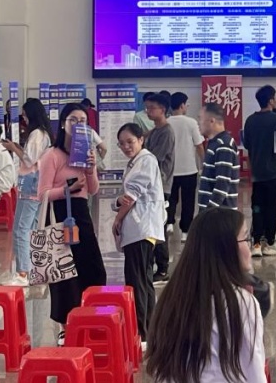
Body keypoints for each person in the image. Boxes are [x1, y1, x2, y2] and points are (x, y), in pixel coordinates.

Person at [145, 207, 266, 383]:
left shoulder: (172, 298)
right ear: (226, 248)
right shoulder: (238, 302)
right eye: (246, 239)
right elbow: (254, 373)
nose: (249, 248)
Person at [38, 104, 106, 344]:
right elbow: (42, 194)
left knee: (93, 269)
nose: (78, 125)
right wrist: (68, 188)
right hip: (58, 217)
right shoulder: (52, 155)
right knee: (64, 276)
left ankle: (91, 319)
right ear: (63, 124)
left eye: (83, 121)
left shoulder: (86, 153)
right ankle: (65, 327)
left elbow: (93, 189)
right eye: (73, 120)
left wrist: (91, 168)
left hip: (81, 215)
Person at [114, 122, 165, 343]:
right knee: (143, 280)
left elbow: (130, 196)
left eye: (130, 142)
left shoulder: (146, 160)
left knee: (138, 281)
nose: (126, 147)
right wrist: (118, 202)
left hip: (141, 228)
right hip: (140, 228)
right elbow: (123, 198)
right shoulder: (136, 162)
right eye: (122, 143)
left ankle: (143, 333)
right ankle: (149, 330)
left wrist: (117, 218)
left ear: (141, 140)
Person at [1, 98, 54, 287]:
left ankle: (22, 272)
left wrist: (13, 148)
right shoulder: (44, 133)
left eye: (24, 114)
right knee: (29, 228)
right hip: (37, 184)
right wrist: (17, 147)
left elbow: (29, 159)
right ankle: (29, 270)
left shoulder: (37, 134)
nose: (23, 118)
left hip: (31, 185)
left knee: (21, 229)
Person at [243, 85, 276, 259]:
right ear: (270, 100)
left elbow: (247, 144)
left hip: (256, 171)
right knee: (275, 207)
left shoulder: (250, 120)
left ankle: (256, 243)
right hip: (274, 170)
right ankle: (271, 242)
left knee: (257, 207)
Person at [143, 92, 176, 281]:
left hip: (161, 186)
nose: (148, 111)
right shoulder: (155, 130)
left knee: (159, 227)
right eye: (147, 108)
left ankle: (163, 268)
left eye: (151, 108)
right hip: (151, 186)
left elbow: (154, 158)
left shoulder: (166, 132)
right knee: (151, 226)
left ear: (162, 109)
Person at [167, 92, 204, 242]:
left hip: (171, 169)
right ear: (182, 105)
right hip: (189, 168)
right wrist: (203, 163)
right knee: (188, 201)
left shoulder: (166, 122)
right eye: (186, 104)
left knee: (171, 198)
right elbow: (199, 145)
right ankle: (185, 231)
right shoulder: (191, 122)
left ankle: (169, 223)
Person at [198, 102, 240, 210]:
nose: (198, 123)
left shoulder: (224, 145)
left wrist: (209, 211)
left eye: (200, 119)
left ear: (212, 121)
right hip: (214, 212)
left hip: (220, 214)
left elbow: (222, 185)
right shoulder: (214, 143)